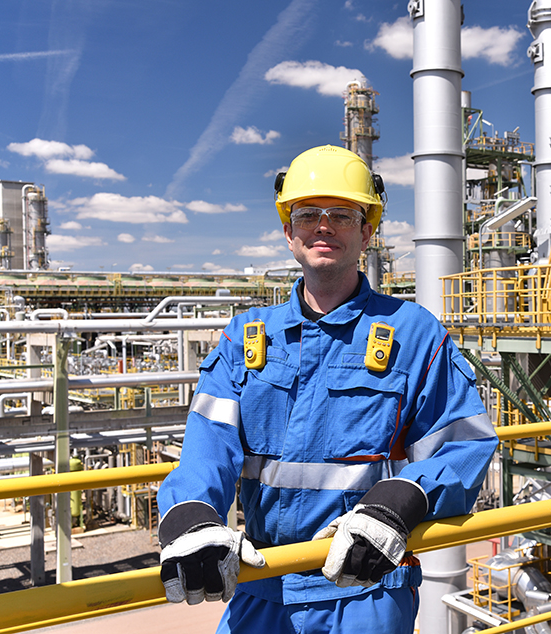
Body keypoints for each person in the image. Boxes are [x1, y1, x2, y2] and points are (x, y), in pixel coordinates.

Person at [156, 145, 498, 633]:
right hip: (262, 583)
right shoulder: (247, 336)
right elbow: (207, 447)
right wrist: (191, 513)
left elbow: (465, 443)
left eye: (342, 214)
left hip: (366, 589)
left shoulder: (413, 334)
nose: (323, 225)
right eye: (308, 214)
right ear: (287, 231)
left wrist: (397, 503)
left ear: (367, 232)